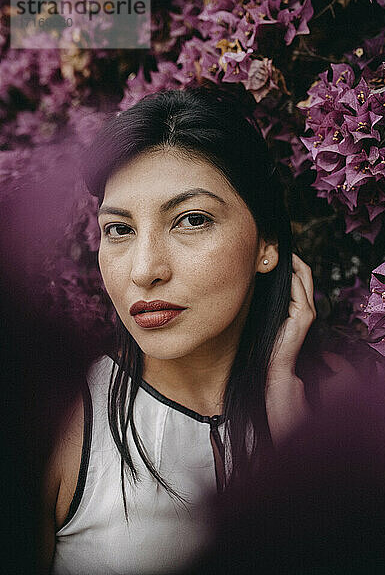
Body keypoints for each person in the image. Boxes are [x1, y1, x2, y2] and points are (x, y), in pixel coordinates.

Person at [39, 85, 317, 575]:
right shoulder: (56, 426)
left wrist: (291, 433)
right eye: (119, 229)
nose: (144, 270)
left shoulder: (331, 405)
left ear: (265, 243)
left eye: (190, 220)